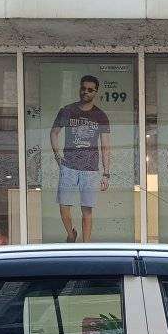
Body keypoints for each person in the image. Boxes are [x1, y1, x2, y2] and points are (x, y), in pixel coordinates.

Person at [50, 75, 111, 242]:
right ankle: (71, 235)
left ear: (96, 92)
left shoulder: (100, 116)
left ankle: (86, 245)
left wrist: (106, 173)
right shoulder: (67, 110)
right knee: (64, 207)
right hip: (69, 165)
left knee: (87, 210)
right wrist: (57, 156)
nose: (85, 91)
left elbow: (105, 146)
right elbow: (54, 132)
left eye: (90, 89)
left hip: (90, 168)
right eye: (83, 88)